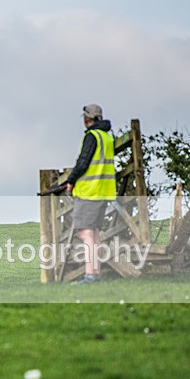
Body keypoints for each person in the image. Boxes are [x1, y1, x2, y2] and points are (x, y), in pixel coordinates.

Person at [64, 104, 116, 284]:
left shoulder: (92, 136)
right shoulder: (107, 137)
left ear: (87, 118)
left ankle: (90, 275)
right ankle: (95, 273)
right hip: (104, 190)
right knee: (95, 234)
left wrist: (71, 180)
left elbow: (83, 161)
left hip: (90, 191)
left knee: (86, 234)